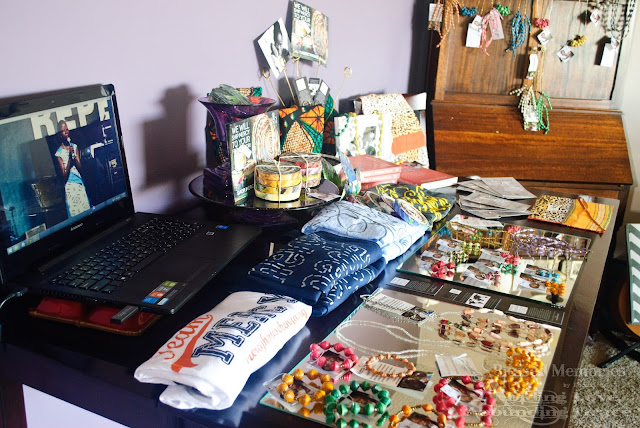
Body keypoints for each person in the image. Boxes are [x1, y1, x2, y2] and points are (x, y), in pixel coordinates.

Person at [55, 120, 90, 218]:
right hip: (70, 186)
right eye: (63, 130)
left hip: (79, 183)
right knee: (75, 215)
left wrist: (74, 156)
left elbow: (80, 167)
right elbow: (64, 175)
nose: (66, 132)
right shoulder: (59, 153)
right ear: (59, 134)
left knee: (85, 212)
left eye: (67, 129)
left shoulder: (74, 146)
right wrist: (70, 159)